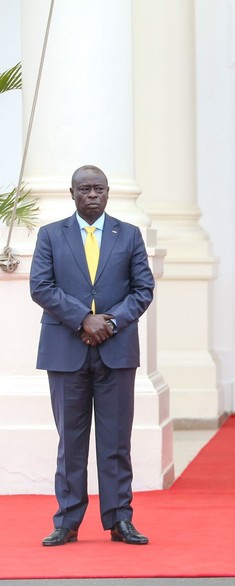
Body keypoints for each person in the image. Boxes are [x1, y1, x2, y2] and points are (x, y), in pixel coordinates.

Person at [30, 165, 155, 546]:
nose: (92, 195)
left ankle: (120, 520)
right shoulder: (51, 235)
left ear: (108, 192)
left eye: (98, 189)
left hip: (116, 351)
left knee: (116, 441)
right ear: (71, 194)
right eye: (84, 189)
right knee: (71, 440)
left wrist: (109, 323)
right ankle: (67, 521)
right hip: (65, 350)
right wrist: (83, 319)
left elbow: (143, 289)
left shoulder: (129, 235)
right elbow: (40, 286)